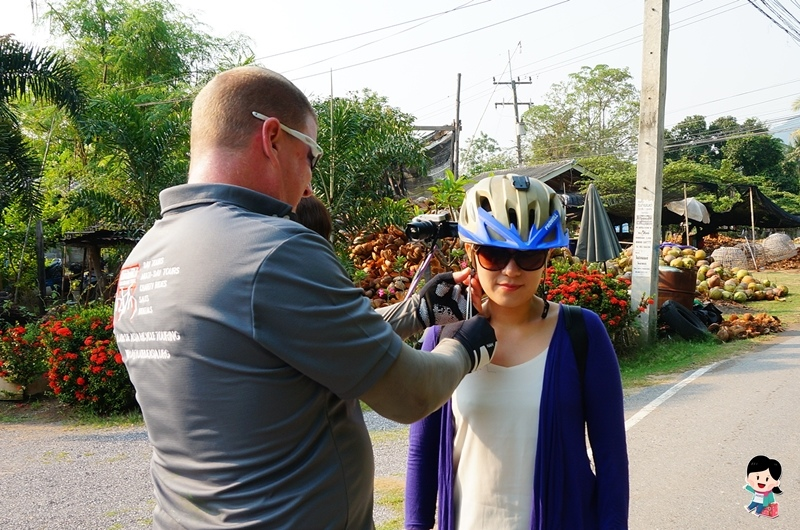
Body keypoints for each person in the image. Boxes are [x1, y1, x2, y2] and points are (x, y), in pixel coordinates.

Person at [112, 65, 498, 529]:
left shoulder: (144, 257)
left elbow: (282, 343)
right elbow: (409, 395)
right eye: (310, 155)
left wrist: (417, 311)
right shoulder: (273, 247)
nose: (310, 182)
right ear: (272, 137)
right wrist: (464, 346)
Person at [405, 175, 630, 530]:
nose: (511, 270)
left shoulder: (581, 332)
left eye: (529, 255)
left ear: (548, 256)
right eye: (494, 254)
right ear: (470, 252)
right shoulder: (440, 337)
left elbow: (611, 456)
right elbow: (423, 451)